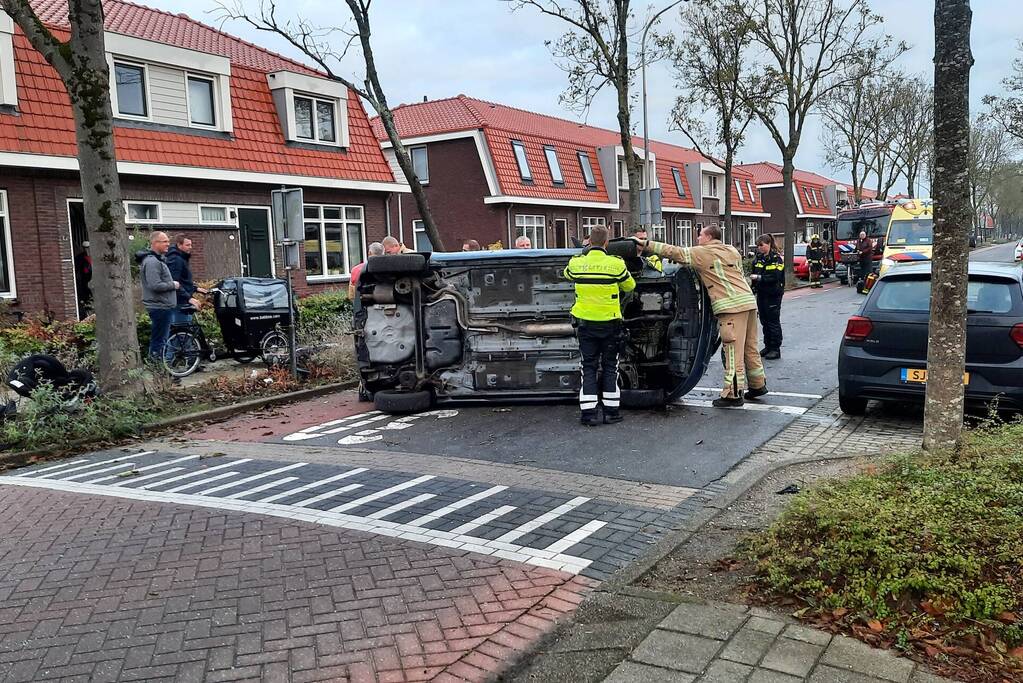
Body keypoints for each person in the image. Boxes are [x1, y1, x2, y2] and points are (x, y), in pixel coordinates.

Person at [634, 224, 767, 407]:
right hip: (748, 303)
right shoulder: (731, 251)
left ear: (709, 237)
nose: (698, 239)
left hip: (731, 307)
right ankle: (758, 385)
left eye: (700, 236)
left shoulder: (704, 253)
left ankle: (733, 394)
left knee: (732, 351)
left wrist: (646, 244)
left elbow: (674, 252)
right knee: (749, 347)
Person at [563, 225, 635, 426]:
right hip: (610, 325)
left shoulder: (577, 264)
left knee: (588, 367)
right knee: (611, 366)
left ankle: (589, 415)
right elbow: (630, 286)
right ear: (606, 242)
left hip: (585, 326)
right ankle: (611, 412)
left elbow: (567, 275)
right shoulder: (616, 264)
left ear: (589, 242)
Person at [137, 231, 179, 363]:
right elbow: (155, 285)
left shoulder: (156, 260)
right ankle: (159, 371)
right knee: (159, 340)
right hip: (159, 306)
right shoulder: (152, 262)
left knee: (160, 339)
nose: (168, 244)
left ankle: (159, 370)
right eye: (165, 241)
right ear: (155, 243)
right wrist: (173, 284)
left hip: (163, 305)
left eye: (168, 241)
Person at [750, 235, 785, 360]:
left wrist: (759, 278)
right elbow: (753, 273)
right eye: (758, 245)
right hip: (762, 294)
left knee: (773, 322)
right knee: (764, 321)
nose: (759, 248)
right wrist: (752, 287)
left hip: (773, 294)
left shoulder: (776, 259)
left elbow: (775, 276)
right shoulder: (758, 259)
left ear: (769, 244)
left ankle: (775, 348)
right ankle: (768, 346)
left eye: (762, 245)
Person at [165, 235, 202, 324]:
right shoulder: (176, 259)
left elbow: (183, 280)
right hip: (180, 302)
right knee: (182, 332)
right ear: (179, 245)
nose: (190, 247)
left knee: (184, 331)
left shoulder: (181, 257)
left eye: (190, 245)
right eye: (187, 245)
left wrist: (196, 288)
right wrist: (188, 298)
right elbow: (174, 283)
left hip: (183, 300)